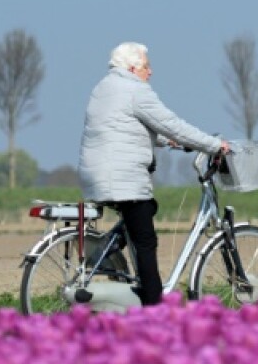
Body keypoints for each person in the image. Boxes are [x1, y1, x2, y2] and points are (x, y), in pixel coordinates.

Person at [78, 42, 229, 306]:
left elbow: (124, 126)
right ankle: (154, 307)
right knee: (146, 241)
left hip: (97, 173)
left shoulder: (104, 88)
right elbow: (173, 125)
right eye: (147, 66)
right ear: (133, 68)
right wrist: (215, 145)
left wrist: (165, 141)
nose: (151, 71)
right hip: (123, 177)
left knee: (146, 210)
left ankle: (110, 247)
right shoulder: (136, 90)